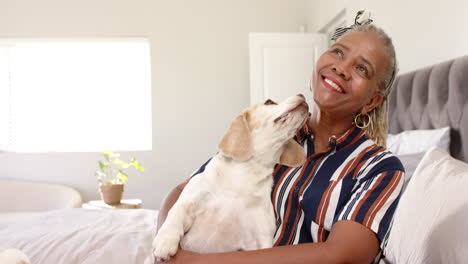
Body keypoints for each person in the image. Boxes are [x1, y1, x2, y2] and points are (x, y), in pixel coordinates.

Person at [154, 10, 404, 264]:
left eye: (362, 68)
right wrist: (167, 251)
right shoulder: (275, 133)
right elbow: (187, 190)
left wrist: (195, 262)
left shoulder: (380, 168)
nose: (342, 68)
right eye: (338, 52)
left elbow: (341, 256)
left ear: (371, 101)